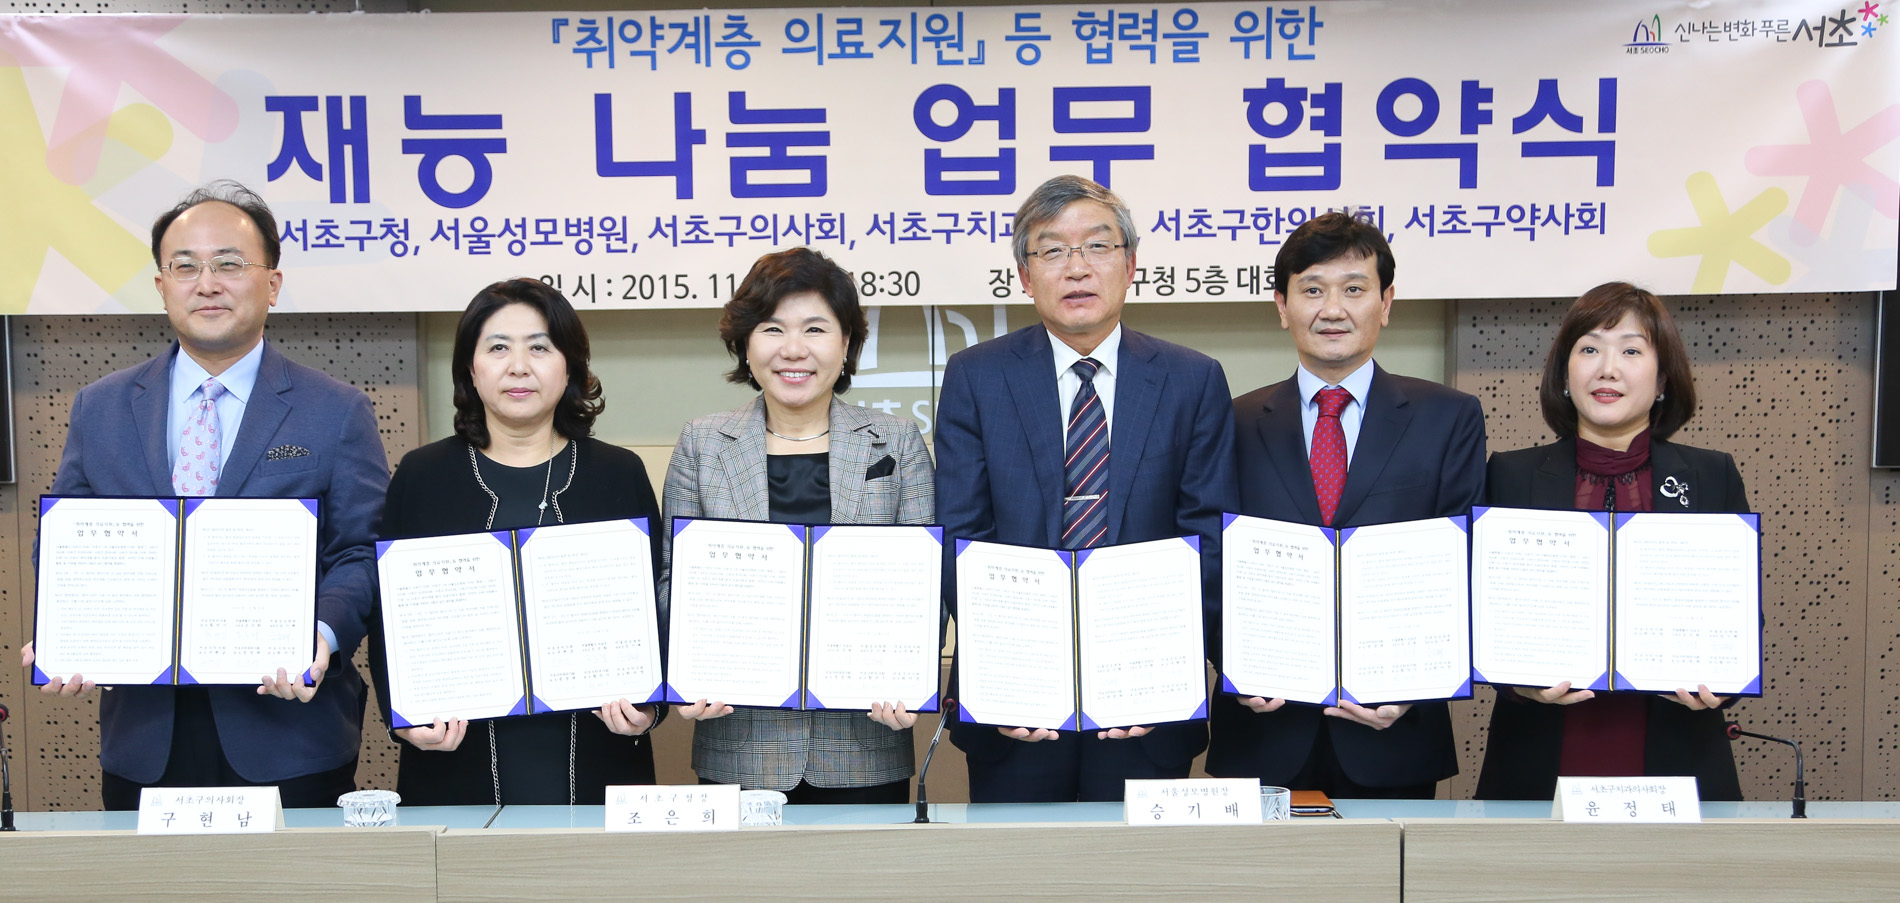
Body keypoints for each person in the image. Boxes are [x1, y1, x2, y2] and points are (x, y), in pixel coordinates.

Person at [21, 180, 388, 809]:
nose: (207, 284)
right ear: (162, 286)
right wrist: (68, 630)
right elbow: (65, 544)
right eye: (185, 267)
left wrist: (320, 637)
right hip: (146, 738)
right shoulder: (100, 408)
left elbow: (359, 552)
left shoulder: (335, 411)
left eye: (229, 264)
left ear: (272, 284)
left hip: (290, 732)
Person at [935, 175, 1236, 803]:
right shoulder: (976, 376)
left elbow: (1206, 536)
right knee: (1021, 862)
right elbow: (962, 534)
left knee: (1140, 864)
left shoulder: (1192, 379)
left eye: (1097, 246)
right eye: (1052, 250)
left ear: (1131, 266)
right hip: (1015, 708)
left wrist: (1159, 670)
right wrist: (1008, 670)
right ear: (1025, 275)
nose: (1076, 268)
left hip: (1148, 702)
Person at [1207, 211, 1485, 799]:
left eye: (1354, 290)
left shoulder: (1448, 417)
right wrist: (1232, 660)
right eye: (1312, 290)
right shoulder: (1232, 421)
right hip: (1264, 726)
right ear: (1281, 306)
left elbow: (1467, 563)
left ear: (1386, 303)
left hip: (1393, 731)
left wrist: (1415, 684)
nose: (1332, 309)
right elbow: (1210, 559)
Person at [370, 278, 662, 806]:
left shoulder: (617, 473)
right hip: (454, 757)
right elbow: (386, 617)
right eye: (498, 347)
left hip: (599, 752)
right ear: (471, 368)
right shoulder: (423, 475)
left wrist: (649, 708)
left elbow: (657, 605)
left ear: (570, 366)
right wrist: (405, 717)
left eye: (540, 348)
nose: (519, 366)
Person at [661, 246, 935, 803]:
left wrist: (914, 678)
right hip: (739, 740)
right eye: (772, 329)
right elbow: (673, 579)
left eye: (815, 328)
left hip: (867, 742)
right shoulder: (703, 443)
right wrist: (687, 672)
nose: (793, 349)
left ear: (846, 342)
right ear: (745, 343)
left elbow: (928, 585)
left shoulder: (897, 441)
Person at [1475, 282, 1745, 801]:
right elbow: (1484, 615)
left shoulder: (1711, 476)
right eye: (1590, 349)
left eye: (1631, 351)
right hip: (1539, 752)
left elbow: (1738, 616)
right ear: (1565, 374)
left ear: (1662, 378)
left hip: (1677, 748)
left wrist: (1722, 685)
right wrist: (1517, 682)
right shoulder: (1510, 475)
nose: (1608, 369)